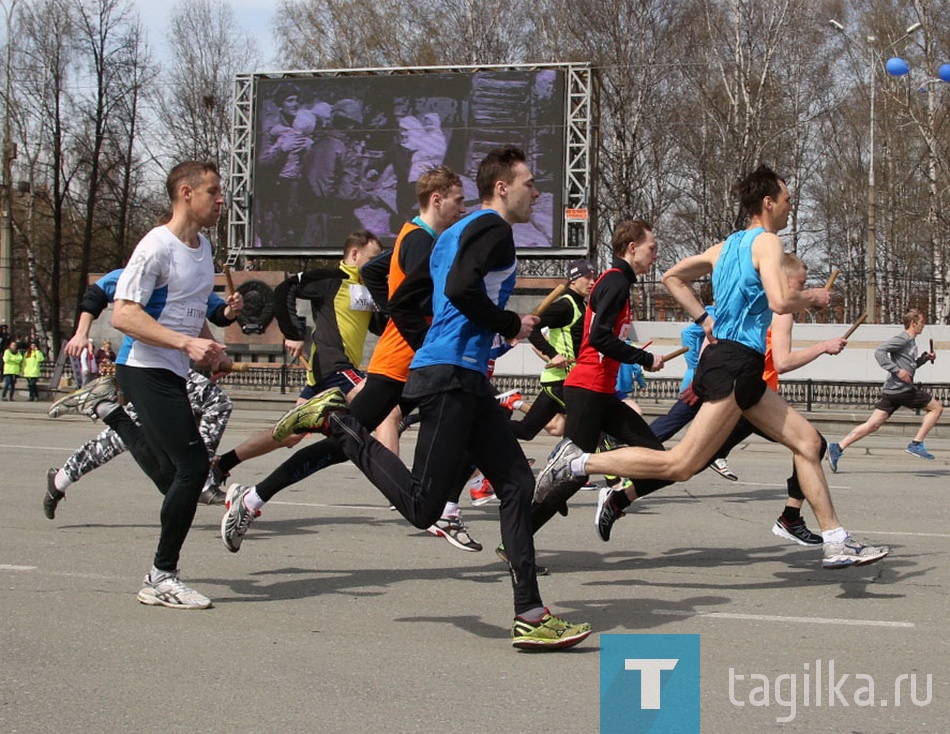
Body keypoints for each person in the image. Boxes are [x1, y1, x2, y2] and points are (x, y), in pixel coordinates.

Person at [265, 146, 591, 649]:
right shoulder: (493, 228)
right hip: (451, 378)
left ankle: (530, 613)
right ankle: (338, 424)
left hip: (458, 374)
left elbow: (403, 300)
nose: (537, 192)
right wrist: (510, 323)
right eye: (531, 183)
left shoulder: (450, 234)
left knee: (517, 482)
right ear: (502, 188)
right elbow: (461, 288)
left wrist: (439, 340)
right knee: (424, 506)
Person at [536, 164, 889, 570]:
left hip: (742, 366)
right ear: (769, 203)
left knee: (808, 444)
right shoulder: (768, 243)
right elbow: (778, 302)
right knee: (680, 464)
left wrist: (706, 319)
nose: (791, 207)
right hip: (734, 365)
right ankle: (578, 462)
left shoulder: (726, 246)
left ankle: (836, 540)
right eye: (788, 200)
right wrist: (810, 298)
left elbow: (673, 276)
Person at [219, 166, 478, 553]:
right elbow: (412, 295)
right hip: (404, 363)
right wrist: (415, 326)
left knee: (354, 442)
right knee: (348, 440)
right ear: (437, 199)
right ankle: (440, 507)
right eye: (459, 200)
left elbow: (375, 273)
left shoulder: (417, 238)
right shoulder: (421, 243)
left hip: (416, 360)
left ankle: (254, 497)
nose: (463, 207)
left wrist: (389, 313)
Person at [102, 160, 232, 609]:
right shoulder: (155, 246)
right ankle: (161, 576)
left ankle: (112, 415)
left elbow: (191, 312)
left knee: (174, 474)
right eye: (213, 191)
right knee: (193, 468)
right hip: (143, 366)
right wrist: (183, 344)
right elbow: (123, 314)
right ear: (185, 193)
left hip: (172, 368)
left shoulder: (203, 248)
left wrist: (211, 349)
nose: (221, 200)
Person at [44, 267, 241, 518]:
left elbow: (213, 313)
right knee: (217, 402)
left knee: (128, 434)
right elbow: (96, 292)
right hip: (142, 365)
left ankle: (60, 479)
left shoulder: (194, 278)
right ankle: (201, 480)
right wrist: (81, 334)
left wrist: (231, 311)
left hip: (175, 369)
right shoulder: (148, 267)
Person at [530, 219, 669, 541]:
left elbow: (604, 338)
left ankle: (616, 498)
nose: (655, 254)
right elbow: (599, 338)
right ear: (632, 248)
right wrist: (645, 358)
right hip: (588, 388)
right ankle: (517, 536)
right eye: (652, 247)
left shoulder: (616, 281)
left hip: (601, 391)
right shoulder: (616, 281)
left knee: (663, 463)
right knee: (574, 473)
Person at [210, 230, 384, 484]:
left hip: (322, 376)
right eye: (373, 258)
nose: (377, 264)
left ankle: (221, 464)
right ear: (355, 254)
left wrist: (383, 305)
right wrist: (292, 333)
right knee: (384, 407)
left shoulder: (365, 288)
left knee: (288, 434)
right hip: (334, 367)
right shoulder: (330, 278)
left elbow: (375, 327)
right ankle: (402, 486)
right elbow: (284, 289)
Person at [828, 309, 941, 469]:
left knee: (872, 425)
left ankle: (838, 447)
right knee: (936, 408)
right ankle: (916, 443)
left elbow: (910, 365)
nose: (923, 325)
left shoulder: (911, 342)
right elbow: (879, 352)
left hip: (893, 390)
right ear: (913, 323)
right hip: (902, 389)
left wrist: (924, 358)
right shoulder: (902, 339)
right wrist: (897, 371)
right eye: (922, 322)